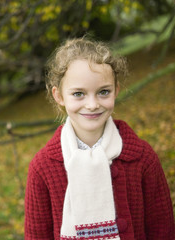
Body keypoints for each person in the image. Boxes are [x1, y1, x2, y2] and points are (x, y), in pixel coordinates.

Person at [24, 38, 175, 240]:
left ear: (116, 90)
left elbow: (162, 230)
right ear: (59, 95)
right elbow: (37, 236)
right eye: (79, 94)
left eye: (104, 92)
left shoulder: (142, 158)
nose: (93, 104)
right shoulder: (42, 168)